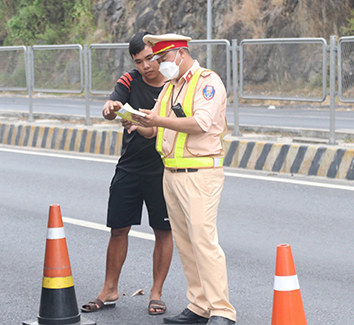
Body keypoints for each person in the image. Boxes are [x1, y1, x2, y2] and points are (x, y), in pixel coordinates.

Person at [128, 33, 237, 325]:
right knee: (187, 244)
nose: (159, 65)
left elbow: (200, 123)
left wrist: (156, 121)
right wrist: (136, 121)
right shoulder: (170, 88)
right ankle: (199, 305)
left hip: (200, 174)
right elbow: (154, 128)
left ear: (179, 53)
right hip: (172, 173)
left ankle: (222, 310)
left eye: (162, 59)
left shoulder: (207, 82)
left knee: (204, 242)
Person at [80, 32, 174, 316]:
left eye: (150, 58)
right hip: (130, 167)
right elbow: (111, 109)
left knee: (163, 231)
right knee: (118, 228)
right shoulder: (129, 80)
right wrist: (111, 109)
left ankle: (156, 293)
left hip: (163, 169)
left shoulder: (173, 85)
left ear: (158, 55)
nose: (146, 66)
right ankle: (109, 288)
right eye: (139, 61)